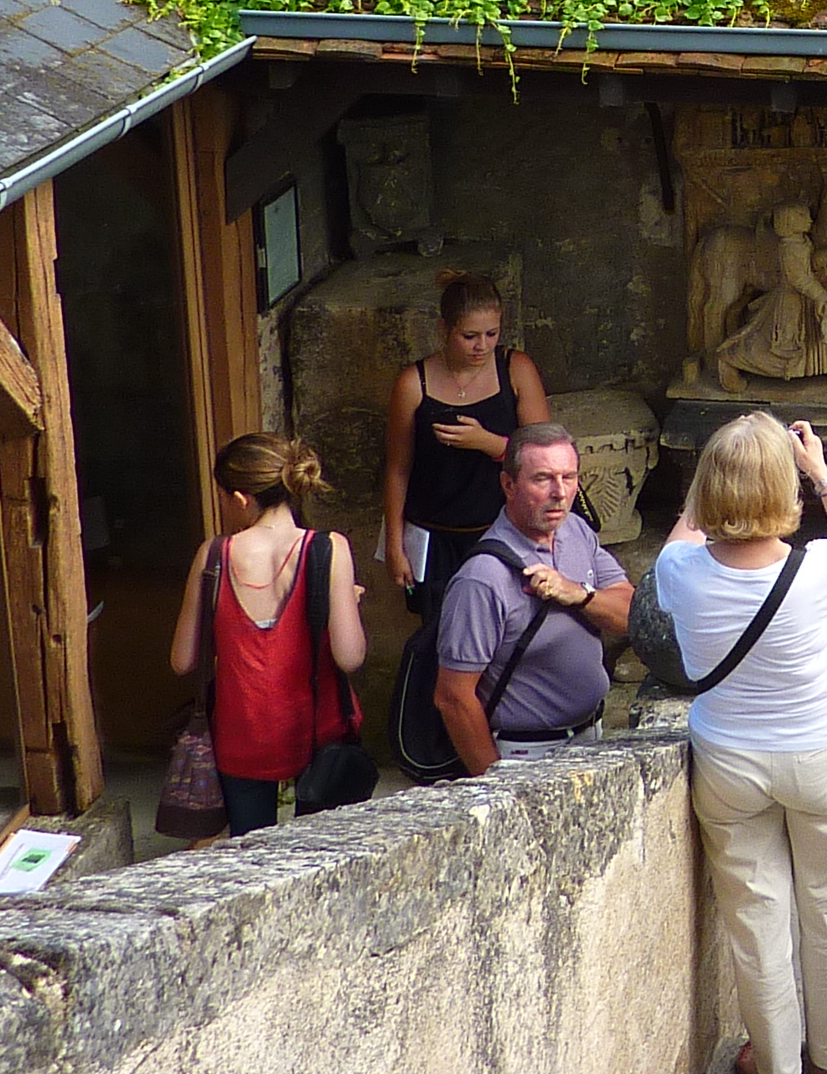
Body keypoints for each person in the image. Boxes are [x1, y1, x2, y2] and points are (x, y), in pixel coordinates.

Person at [658, 414, 827, 1074]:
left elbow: (682, 536)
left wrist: (704, 496)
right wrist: (821, 472)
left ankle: (776, 1063)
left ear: (707, 490)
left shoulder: (681, 573)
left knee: (755, 923)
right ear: (786, 490)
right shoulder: (818, 571)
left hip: (730, 762)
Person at [167, 434, 366, 836]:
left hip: (242, 733)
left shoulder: (213, 554)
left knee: (250, 854)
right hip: (315, 727)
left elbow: (182, 659)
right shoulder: (329, 548)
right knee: (319, 854)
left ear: (240, 499)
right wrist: (347, 606)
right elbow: (350, 656)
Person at [432, 423, 631, 775]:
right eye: (543, 479)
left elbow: (630, 614)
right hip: (527, 755)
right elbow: (453, 698)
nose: (560, 492)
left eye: (569, 477)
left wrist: (578, 595)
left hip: (592, 737)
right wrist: (497, 788)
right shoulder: (482, 579)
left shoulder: (576, 531)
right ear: (509, 485)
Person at [384, 271, 551, 622]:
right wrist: (394, 546)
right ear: (444, 329)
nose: (482, 346)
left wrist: (490, 444)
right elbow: (398, 467)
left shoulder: (515, 369)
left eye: (492, 334)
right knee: (440, 630)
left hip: (502, 528)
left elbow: (543, 455)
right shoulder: (414, 383)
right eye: (469, 336)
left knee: (506, 624)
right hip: (434, 534)